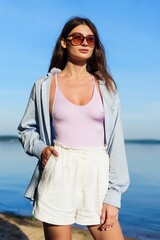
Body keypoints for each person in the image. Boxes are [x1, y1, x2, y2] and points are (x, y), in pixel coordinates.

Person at [18, 17, 130, 240]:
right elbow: (26, 130)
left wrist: (114, 194)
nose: (85, 43)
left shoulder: (106, 86)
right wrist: (41, 149)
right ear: (64, 42)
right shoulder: (44, 85)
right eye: (78, 37)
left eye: (91, 39)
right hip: (59, 168)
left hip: (97, 170)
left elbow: (116, 141)